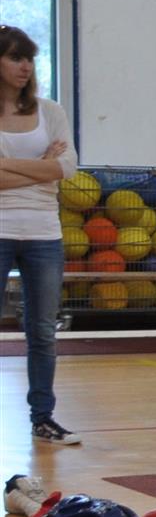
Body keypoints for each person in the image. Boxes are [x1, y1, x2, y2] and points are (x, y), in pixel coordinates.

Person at [0, 26, 78, 444]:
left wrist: (9, 167)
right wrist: (41, 167)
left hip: (45, 234)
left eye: (29, 58)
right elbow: (51, 170)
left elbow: (67, 168)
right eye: (15, 57)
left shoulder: (51, 112)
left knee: (43, 332)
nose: (25, 66)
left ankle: (43, 417)